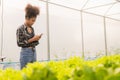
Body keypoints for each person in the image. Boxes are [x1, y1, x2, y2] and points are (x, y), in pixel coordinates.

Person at [16, 4, 42, 69]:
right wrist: (33, 39)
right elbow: (19, 43)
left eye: (34, 21)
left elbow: (33, 42)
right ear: (27, 18)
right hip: (25, 53)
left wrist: (37, 39)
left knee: (33, 72)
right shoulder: (20, 28)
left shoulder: (32, 29)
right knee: (25, 73)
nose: (33, 22)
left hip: (33, 51)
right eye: (32, 20)